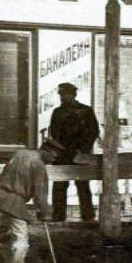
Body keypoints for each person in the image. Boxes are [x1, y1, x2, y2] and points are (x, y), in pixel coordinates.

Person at [0, 146, 50, 263]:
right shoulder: (39, 165)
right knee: (21, 240)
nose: (54, 158)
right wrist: (43, 212)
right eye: (54, 154)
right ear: (46, 151)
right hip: (14, 200)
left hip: (1, 195)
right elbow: (40, 193)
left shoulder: (19, 154)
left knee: (6, 221)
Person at [42, 82, 101, 223]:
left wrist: (83, 149)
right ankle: (58, 216)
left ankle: (88, 216)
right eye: (62, 95)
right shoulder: (57, 112)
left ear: (74, 94)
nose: (64, 98)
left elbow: (94, 131)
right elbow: (54, 133)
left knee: (83, 185)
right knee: (60, 185)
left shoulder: (86, 111)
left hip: (80, 154)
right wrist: (60, 148)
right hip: (63, 153)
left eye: (66, 94)